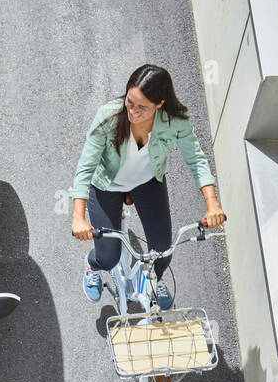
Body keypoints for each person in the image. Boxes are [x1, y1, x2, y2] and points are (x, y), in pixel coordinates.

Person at [69, 64, 224, 309]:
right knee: (108, 257)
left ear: (160, 104)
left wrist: (212, 204)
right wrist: (78, 217)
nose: (133, 111)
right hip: (107, 185)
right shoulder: (109, 116)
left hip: (146, 182)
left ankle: (153, 278)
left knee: (162, 252)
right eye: (130, 102)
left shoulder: (175, 122)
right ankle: (92, 265)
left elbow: (196, 159)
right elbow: (85, 167)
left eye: (142, 107)